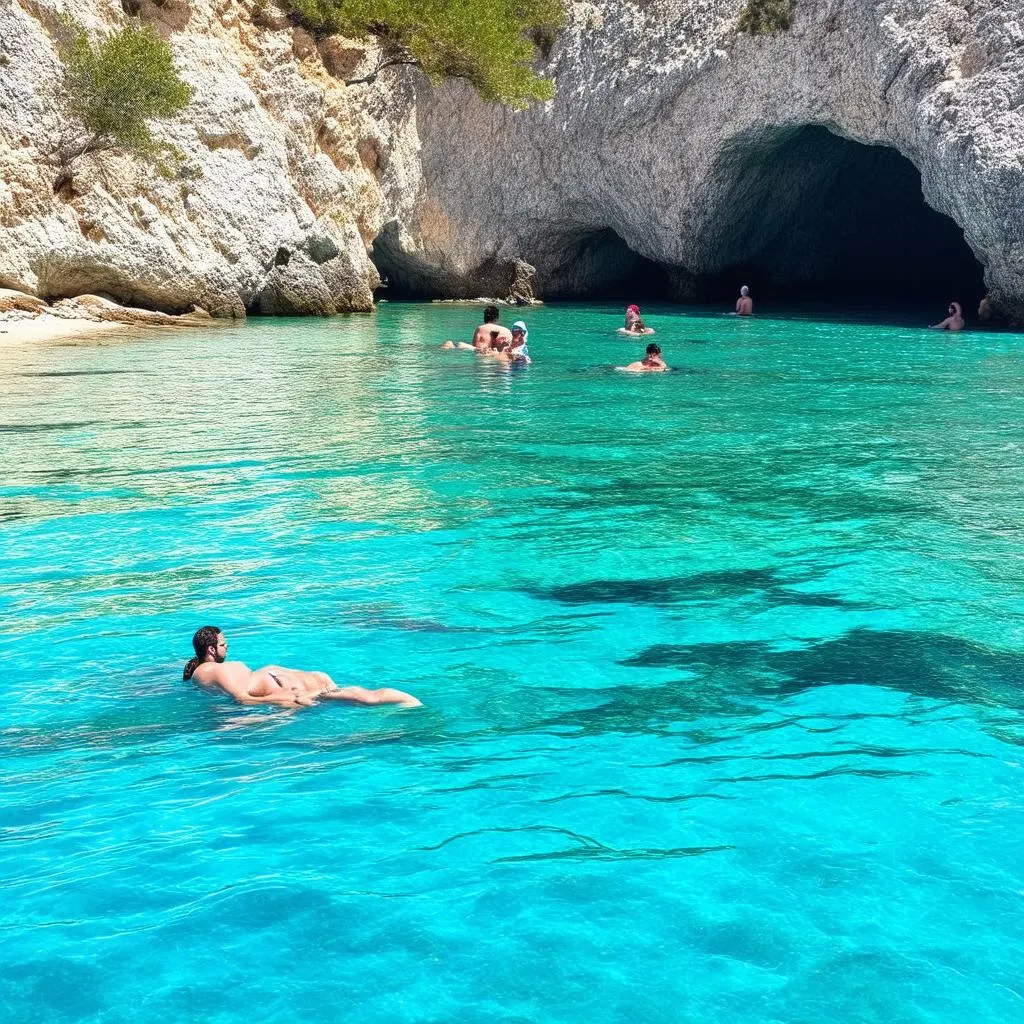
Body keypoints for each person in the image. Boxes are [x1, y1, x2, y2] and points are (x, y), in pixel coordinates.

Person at [183, 626, 422, 708]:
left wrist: (286, 699)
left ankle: (413, 706)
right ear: (212, 649)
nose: (228, 647)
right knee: (362, 696)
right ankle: (412, 704)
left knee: (364, 698)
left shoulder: (206, 673)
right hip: (292, 678)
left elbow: (243, 699)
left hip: (287, 685)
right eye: (224, 644)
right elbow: (242, 697)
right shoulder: (220, 669)